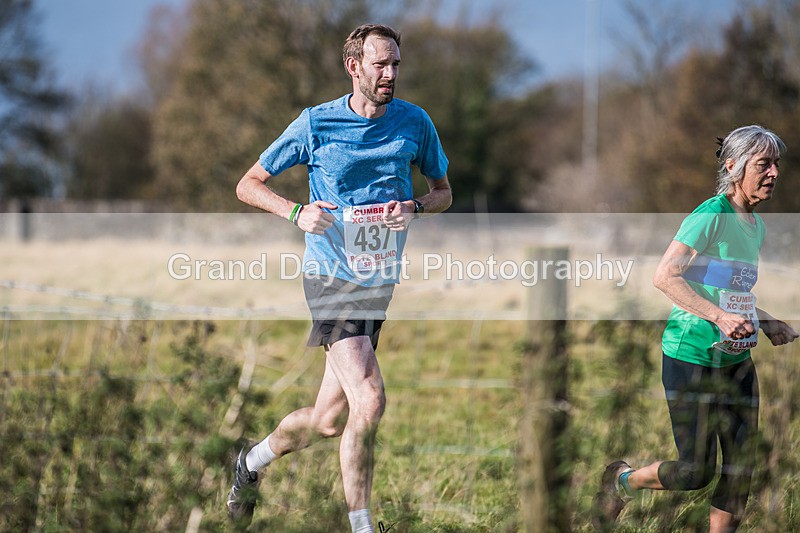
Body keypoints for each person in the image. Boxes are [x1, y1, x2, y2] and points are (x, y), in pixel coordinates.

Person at [225, 24, 451, 532]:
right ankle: (363, 526)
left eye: (395, 64)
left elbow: (444, 192)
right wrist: (295, 213)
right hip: (329, 276)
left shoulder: (415, 123)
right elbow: (248, 184)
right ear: (355, 67)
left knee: (328, 421)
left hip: (379, 281)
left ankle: (250, 462)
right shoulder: (315, 124)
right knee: (369, 397)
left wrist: (414, 206)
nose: (390, 73)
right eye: (380, 64)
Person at [593, 125, 798, 532]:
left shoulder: (755, 226)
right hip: (690, 356)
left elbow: (728, 290)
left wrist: (765, 319)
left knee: (742, 467)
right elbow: (666, 276)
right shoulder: (709, 215)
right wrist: (719, 318)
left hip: (736, 360)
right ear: (733, 167)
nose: (774, 172)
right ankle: (621, 482)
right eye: (764, 164)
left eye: (776, 164)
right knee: (695, 471)